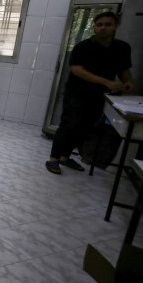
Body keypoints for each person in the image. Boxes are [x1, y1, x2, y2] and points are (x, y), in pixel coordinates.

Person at [45, 12, 133, 174]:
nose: (103, 28)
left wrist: (127, 82)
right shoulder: (83, 47)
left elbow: (123, 69)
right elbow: (77, 70)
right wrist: (106, 82)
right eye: (99, 24)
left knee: (85, 127)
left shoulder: (121, 48)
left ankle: (65, 156)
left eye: (107, 24)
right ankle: (53, 159)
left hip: (100, 95)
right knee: (69, 125)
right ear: (94, 26)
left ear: (115, 27)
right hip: (77, 93)